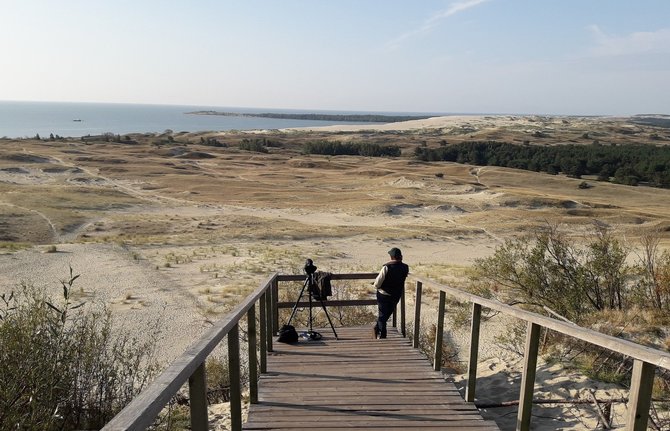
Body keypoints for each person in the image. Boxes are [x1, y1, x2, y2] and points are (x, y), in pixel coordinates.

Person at [372, 247, 409, 339]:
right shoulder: (405, 267)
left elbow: (377, 283)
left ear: (391, 257)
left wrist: (377, 286)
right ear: (401, 257)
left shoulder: (387, 267)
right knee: (386, 315)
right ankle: (377, 329)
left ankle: (382, 335)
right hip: (396, 295)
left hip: (384, 294)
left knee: (382, 315)